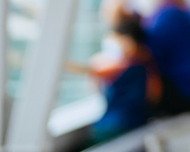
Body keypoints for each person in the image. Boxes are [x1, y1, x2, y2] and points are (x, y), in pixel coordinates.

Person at [69, 13, 161, 142]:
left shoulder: (120, 66)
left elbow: (88, 70)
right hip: (136, 124)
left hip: (114, 127)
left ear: (127, 40)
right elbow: (154, 95)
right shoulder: (148, 64)